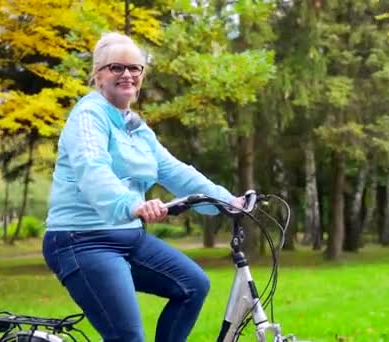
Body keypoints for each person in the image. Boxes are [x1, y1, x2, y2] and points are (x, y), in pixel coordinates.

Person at [42, 32, 243, 342]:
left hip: (128, 237)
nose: (128, 75)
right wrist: (131, 204)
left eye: (135, 68)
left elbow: (174, 170)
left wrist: (228, 201)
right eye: (116, 67)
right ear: (98, 75)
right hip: (81, 240)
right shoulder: (88, 116)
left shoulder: (134, 125)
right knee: (128, 336)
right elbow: (91, 168)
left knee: (193, 286)